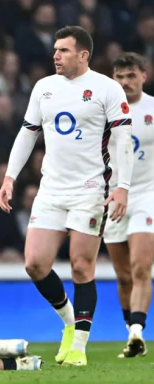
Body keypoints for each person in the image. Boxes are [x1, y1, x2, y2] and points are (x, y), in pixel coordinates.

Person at [0, 26, 134, 366]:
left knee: (81, 266)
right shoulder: (44, 88)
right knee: (34, 264)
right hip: (51, 190)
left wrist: (122, 187)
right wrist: (9, 176)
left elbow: (122, 141)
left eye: (64, 51)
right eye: (55, 49)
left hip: (91, 189)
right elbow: (27, 135)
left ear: (83, 55)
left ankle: (80, 347)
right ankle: (70, 324)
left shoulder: (107, 88)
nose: (55, 55)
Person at [104, 52, 154, 358]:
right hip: (111, 198)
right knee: (122, 274)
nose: (125, 82)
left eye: (131, 76)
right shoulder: (102, 112)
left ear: (143, 77)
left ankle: (138, 330)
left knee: (140, 267)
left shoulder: (152, 109)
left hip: (147, 195)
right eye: (120, 77)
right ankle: (131, 336)